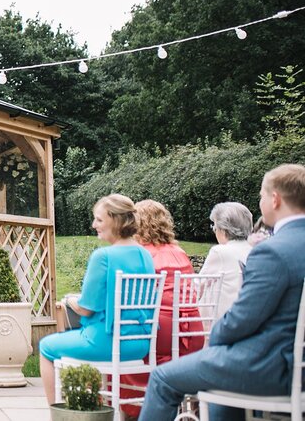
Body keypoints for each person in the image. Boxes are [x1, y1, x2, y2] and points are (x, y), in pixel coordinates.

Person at [139, 164, 305, 421]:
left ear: (275, 199)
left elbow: (240, 320)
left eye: (261, 196)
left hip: (273, 367)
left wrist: (214, 339)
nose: (260, 202)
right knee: (221, 383)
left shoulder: (272, 251)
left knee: (162, 378)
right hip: (293, 363)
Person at [39, 194, 155, 404]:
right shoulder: (145, 255)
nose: (94, 225)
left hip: (105, 341)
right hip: (140, 344)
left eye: (99, 220)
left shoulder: (104, 256)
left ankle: (57, 413)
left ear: (116, 220)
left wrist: (69, 301)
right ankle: (90, 407)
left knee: (46, 346)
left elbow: (86, 309)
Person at [119, 199, 203, 417]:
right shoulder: (179, 251)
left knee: (120, 348)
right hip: (192, 334)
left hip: (161, 336)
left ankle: (136, 410)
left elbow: (132, 302)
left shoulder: (141, 255)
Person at [200, 202, 253, 316]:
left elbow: (198, 286)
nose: (214, 230)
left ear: (223, 229)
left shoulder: (220, 252)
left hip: (219, 321)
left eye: (214, 226)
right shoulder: (253, 250)